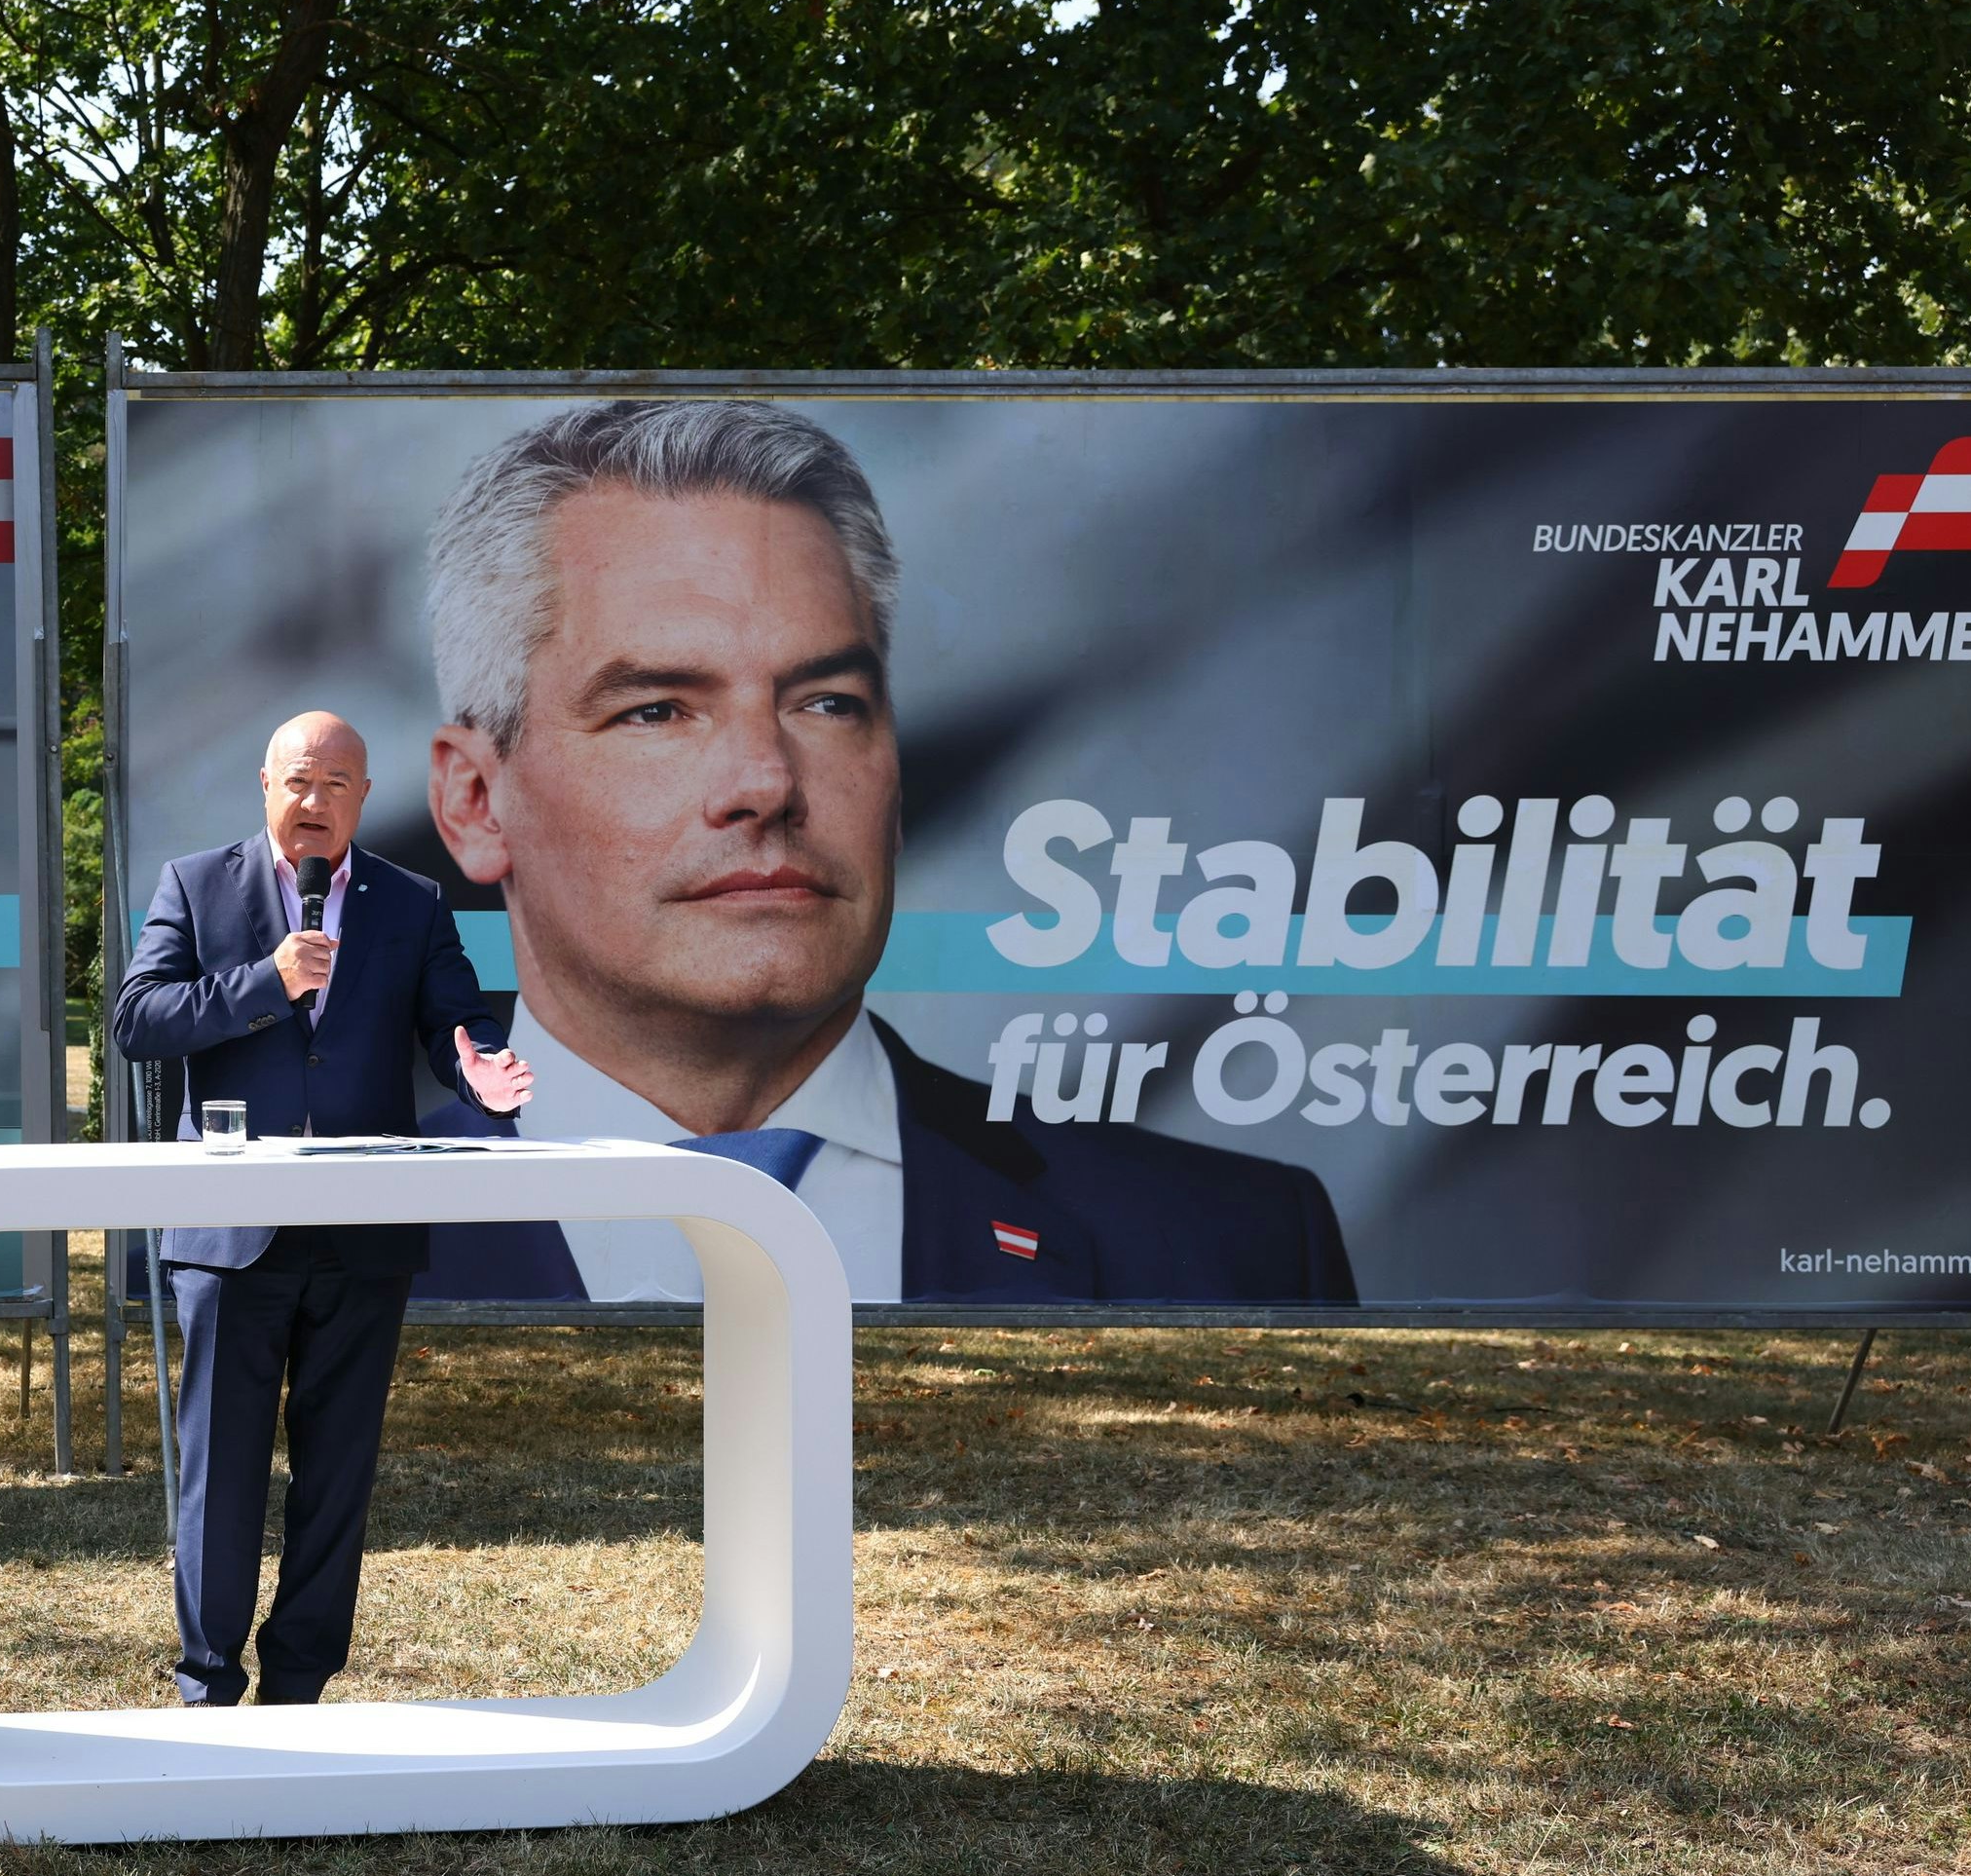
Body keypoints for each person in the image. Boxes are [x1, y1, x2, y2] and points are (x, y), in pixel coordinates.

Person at [410, 398, 1353, 1305]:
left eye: (826, 704)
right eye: (656, 710)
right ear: (477, 802)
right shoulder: (298, 1266)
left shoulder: (1239, 1252)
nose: (767, 781)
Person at [111, 711, 536, 1706]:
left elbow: (454, 1023)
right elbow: (137, 1021)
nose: (315, 803)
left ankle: (299, 1688)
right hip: (232, 1236)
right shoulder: (195, 885)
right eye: (299, 782)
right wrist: (266, 983)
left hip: (363, 1232)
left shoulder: (411, 902)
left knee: (336, 1477)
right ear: (265, 784)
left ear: (362, 797)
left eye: (336, 785)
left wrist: (481, 1070)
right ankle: (208, 1686)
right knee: (220, 1474)